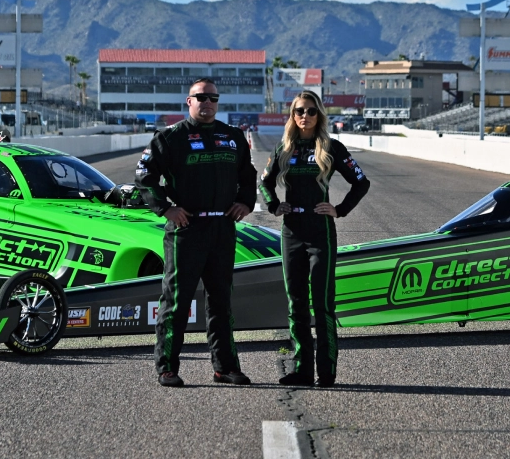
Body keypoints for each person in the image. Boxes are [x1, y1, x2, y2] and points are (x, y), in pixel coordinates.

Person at [136, 78, 256, 388]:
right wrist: (166, 209)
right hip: (186, 231)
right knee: (176, 302)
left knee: (221, 303)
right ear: (188, 102)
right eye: (200, 97)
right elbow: (144, 177)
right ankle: (167, 368)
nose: (208, 102)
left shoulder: (232, 137)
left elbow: (249, 176)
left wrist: (245, 202)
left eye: (213, 98)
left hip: (222, 229)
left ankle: (225, 368)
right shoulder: (170, 138)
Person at [260, 90, 370, 387]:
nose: (304, 116)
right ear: (292, 115)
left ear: (319, 114)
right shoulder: (284, 147)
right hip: (291, 231)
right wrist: (273, 205)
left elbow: (361, 182)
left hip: (320, 231)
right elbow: (265, 182)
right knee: (296, 303)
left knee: (322, 304)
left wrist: (339, 209)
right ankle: (302, 369)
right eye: (299, 111)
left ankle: (327, 371)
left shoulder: (332, 147)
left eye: (310, 111)